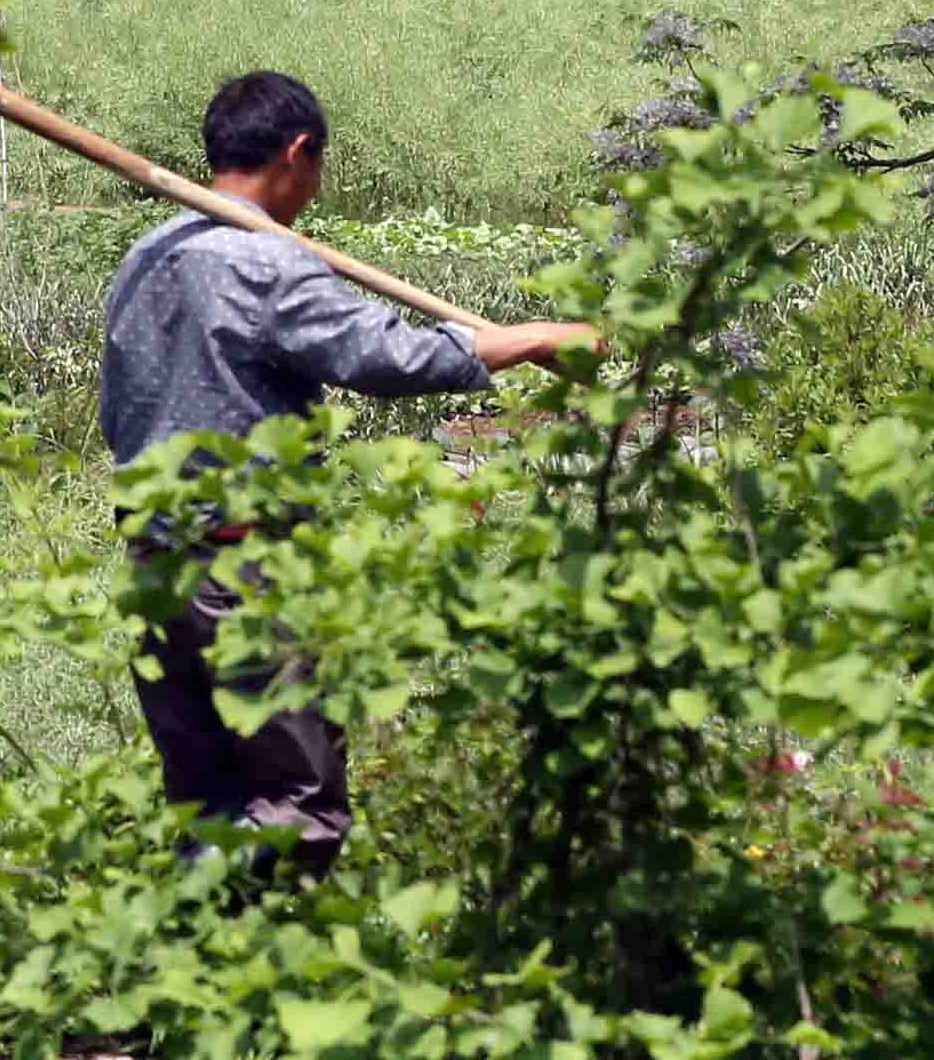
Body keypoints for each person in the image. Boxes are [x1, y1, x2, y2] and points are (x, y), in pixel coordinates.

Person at [99, 68, 589, 873]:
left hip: (153, 563)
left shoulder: (146, 255)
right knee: (301, 805)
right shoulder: (268, 264)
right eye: (317, 170)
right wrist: (535, 339)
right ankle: (267, 969)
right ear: (296, 153)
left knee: (209, 803)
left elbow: (117, 410)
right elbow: (387, 356)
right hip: (241, 568)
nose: (315, 193)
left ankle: (193, 968)